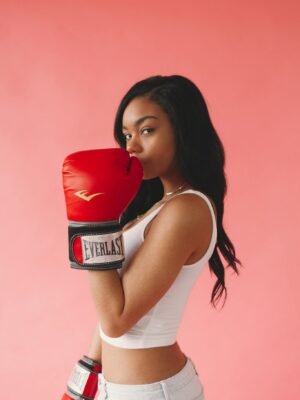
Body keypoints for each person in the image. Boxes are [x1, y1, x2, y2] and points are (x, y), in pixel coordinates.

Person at [61, 75, 242, 400]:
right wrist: (83, 381)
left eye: (147, 130)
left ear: (183, 130)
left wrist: (91, 225)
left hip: (150, 393)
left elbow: (117, 319)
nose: (131, 146)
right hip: (116, 389)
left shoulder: (187, 209)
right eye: (127, 134)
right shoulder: (157, 208)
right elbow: (110, 312)